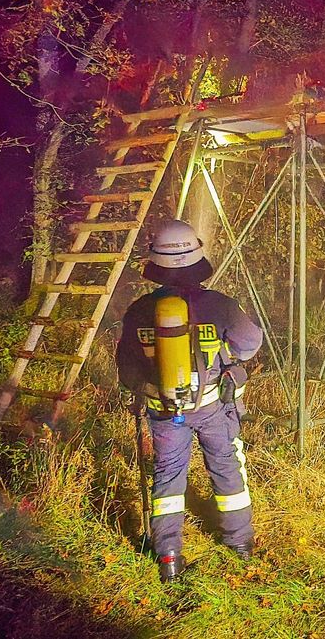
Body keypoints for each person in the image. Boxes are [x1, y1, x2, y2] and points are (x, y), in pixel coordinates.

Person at [116, 220, 262, 582]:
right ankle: (239, 543)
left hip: (164, 412)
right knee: (227, 467)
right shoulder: (221, 305)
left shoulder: (139, 311)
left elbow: (126, 370)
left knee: (167, 478)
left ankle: (168, 557)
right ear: (197, 258)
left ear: (156, 264)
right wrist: (221, 357)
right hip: (212, 406)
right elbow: (249, 344)